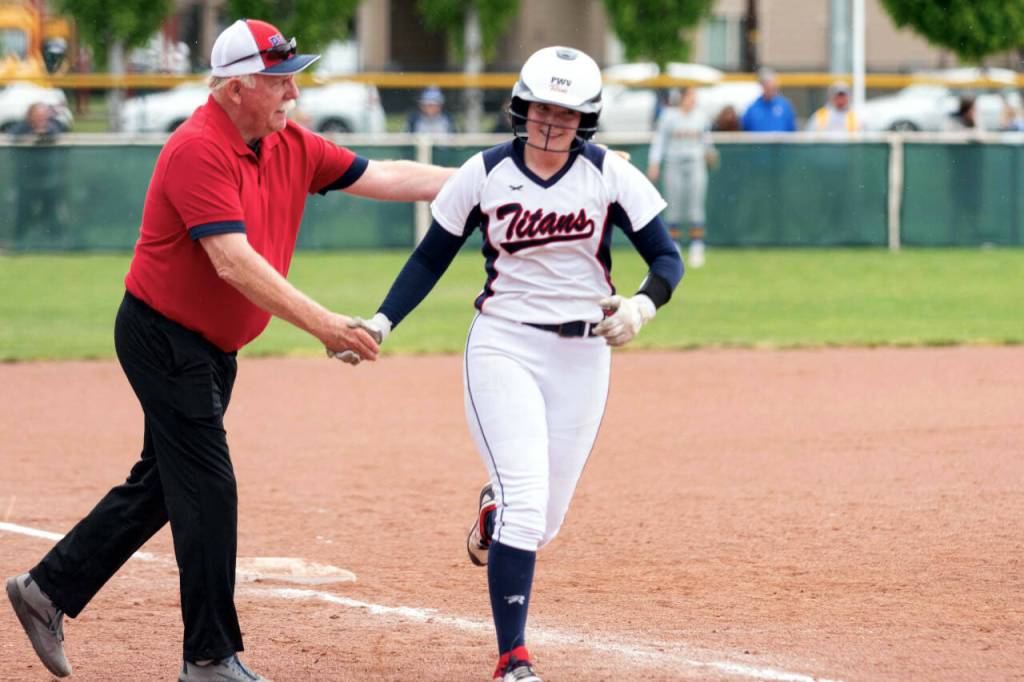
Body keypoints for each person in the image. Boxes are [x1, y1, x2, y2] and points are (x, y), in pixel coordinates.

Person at [4, 18, 452, 682]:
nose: (291, 95)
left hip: (211, 347)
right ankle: (209, 657)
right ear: (237, 86)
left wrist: (491, 178)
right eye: (277, 82)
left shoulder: (286, 142)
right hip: (162, 336)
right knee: (208, 488)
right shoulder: (197, 149)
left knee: (164, 487)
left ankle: (47, 591)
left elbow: (384, 175)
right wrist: (326, 324)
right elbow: (234, 264)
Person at [342, 46, 683, 681]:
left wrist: (641, 306)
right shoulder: (485, 173)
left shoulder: (611, 176)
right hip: (504, 344)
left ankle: (492, 516)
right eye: (540, 110)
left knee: (542, 522)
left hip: (583, 354)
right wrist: (383, 320)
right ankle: (513, 660)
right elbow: (430, 257)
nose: (550, 125)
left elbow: (667, 259)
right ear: (519, 110)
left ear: (587, 120)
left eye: (566, 113)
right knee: (528, 502)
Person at [646, 86, 717, 267]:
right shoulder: (669, 116)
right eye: (691, 96)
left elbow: (706, 141)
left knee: (696, 206)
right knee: (674, 207)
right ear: (683, 97)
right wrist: (654, 163)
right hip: (674, 163)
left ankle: (696, 247)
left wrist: (711, 153)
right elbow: (659, 141)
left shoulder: (700, 117)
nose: (693, 100)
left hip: (695, 163)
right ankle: (674, 247)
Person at [8, 102, 66, 247]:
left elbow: (58, 131)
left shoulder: (53, 126)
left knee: (51, 213)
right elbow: (13, 135)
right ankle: (18, 242)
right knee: (23, 212)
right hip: (26, 181)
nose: (41, 118)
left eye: (43, 115)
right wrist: (32, 135)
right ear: (30, 116)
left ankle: (55, 242)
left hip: (49, 180)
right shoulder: (22, 127)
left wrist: (44, 133)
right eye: (37, 115)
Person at [741, 67, 797, 132]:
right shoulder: (752, 109)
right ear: (762, 86)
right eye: (767, 85)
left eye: (773, 86)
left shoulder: (785, 106)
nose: (770, 89)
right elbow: (744, 130)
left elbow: (792, 130)